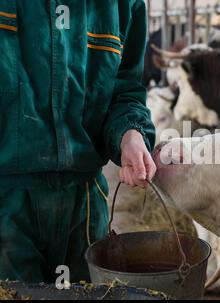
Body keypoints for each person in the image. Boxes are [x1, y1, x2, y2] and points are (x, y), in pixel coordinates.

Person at [0, 0, 156, 283]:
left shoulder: (124, 5)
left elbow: (126, 92)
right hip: (6, 199)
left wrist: (130, 134)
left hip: (84, 202)